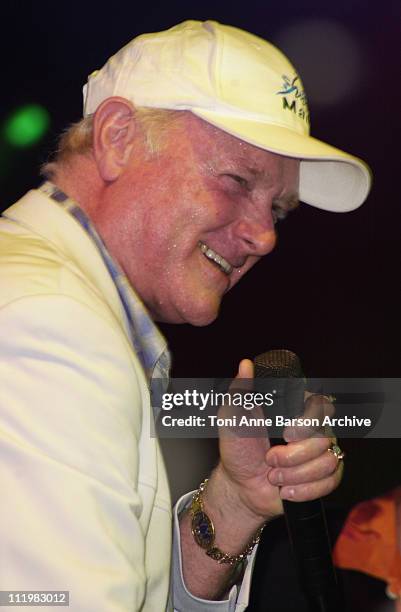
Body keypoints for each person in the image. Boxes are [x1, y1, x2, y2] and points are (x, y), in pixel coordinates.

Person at [0, 20, 371, 611]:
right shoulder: (49, 318)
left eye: (277, 207)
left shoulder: (60, 301)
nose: (266, 237)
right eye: (236, 179)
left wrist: (235, 504)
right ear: (118, 137)